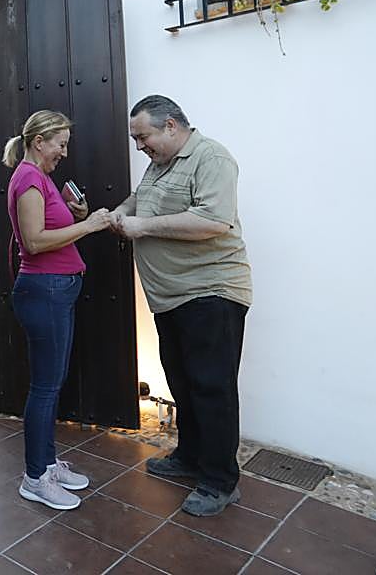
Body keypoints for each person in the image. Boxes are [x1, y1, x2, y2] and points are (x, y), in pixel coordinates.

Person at [109, 95, 252, 517]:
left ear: (170, 125)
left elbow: (213, 220)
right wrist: (120, 212)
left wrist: (142, 227)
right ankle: (190, 456)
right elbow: (140, 199)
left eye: (143, 137)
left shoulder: (212, 157)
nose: (140, 147)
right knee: (184, 384)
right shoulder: (159, 164)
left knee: (212, 388)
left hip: (211, 293)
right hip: (170, 297)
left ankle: (220, 481)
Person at [4, 110, 111, 510]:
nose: (64, 152)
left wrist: (76, 215)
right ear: (39, 142)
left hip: (55, 290)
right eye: (60, 144)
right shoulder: (30, 177)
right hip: (44, 290)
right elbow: (33, 241)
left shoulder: (40, 179)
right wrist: (90, 225)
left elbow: (51, 229)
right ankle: (34, 477)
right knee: (45, 387)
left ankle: (47, 463)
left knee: (52, 382)